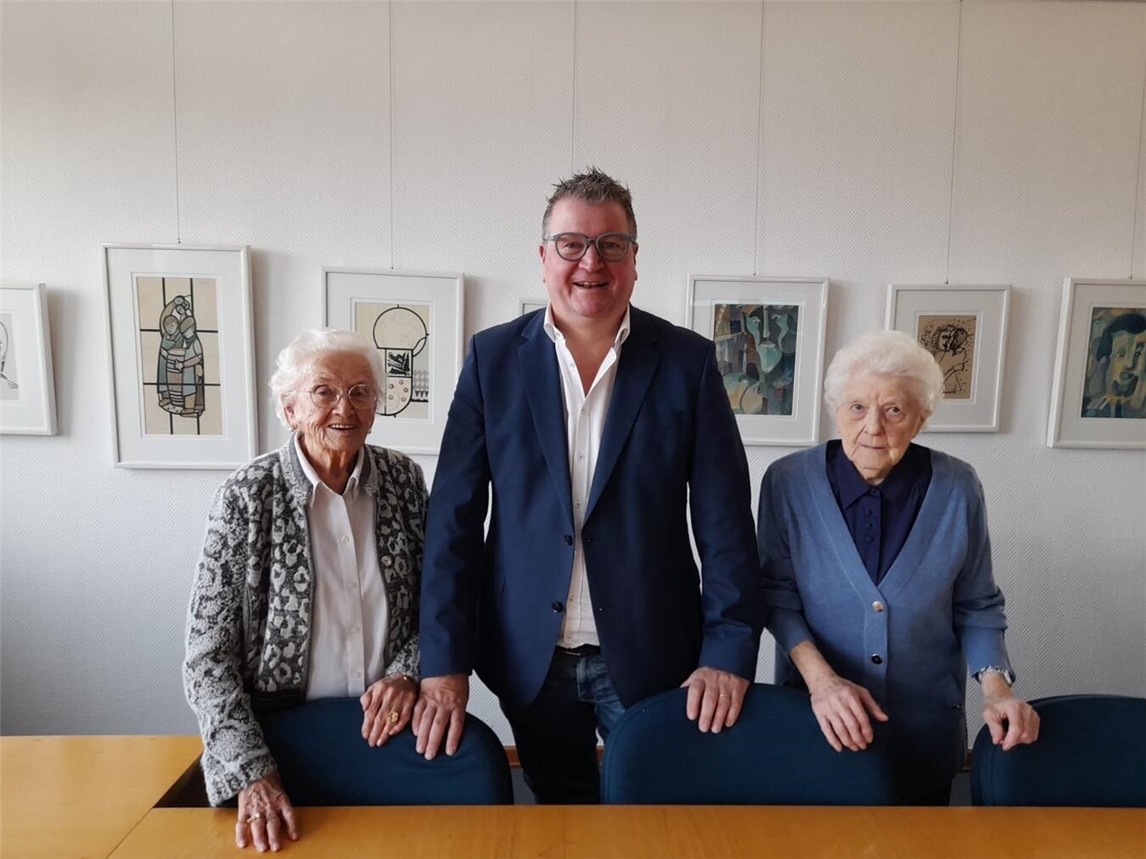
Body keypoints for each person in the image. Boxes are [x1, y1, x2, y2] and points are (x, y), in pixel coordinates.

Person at [415, 168, 761, 803]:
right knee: (559, 810)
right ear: (544, 257)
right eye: (571, 243)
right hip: (529, 653)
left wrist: (729, 651)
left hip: (655, 651)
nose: (590, 262)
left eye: (611, 244)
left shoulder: (686, 363)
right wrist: (442, 663)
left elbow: (726, 525)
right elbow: (453, 523)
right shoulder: (492, 360)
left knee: (658, 815)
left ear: (634, 259)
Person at [757, 330, 1040, 805]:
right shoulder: (787, 482)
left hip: (924, 728)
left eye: (893, 410)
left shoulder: (957, 486)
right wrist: (823, 683)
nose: (873, 427)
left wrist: (995, 689)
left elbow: (977, 604)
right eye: (857, 408)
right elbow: (776, 594)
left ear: (920, 419)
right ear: (835, 409)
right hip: (818, 717)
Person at [184, 329, 427, 851]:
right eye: (324, 392)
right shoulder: (246, 498)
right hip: (279, 742)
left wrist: (409, 670)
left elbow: (444, 603)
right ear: (290, 409)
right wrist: (254, 773)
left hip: (388, 733)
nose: (345, 407)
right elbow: (207, 658)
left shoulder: (405, 482)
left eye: (361, 392)